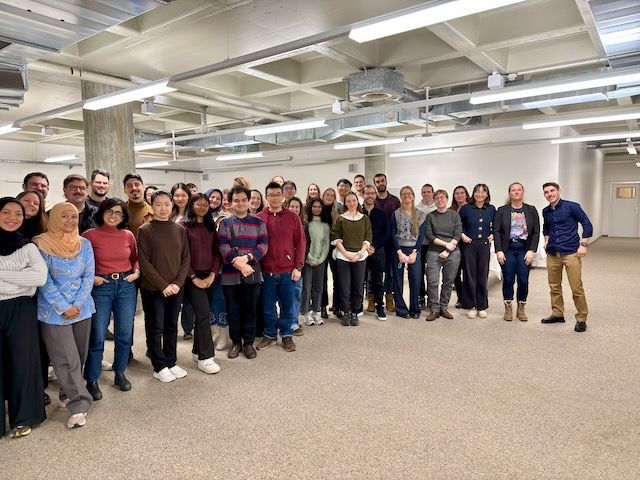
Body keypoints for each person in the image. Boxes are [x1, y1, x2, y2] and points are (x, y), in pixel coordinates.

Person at [34, 202, 96, 429]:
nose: (70, 220)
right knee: (65, 358)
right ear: (54, 218)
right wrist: (63, 307)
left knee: (79, 355)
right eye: (64, 216)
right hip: (53, 312)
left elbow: (88, 275)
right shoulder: (41, 244)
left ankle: (67, 392)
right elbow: (44, 280)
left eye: (74, 216)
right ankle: (79, 403)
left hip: (83, 309)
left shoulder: (84, 243)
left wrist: (77, 304)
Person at [82, 198, 139, 400]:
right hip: (101, 287)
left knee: (124, 334)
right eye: (110, 211)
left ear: (123, 217)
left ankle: (120, 372)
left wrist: (136, 272)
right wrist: (92, 278)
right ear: (102, 213)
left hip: (125, 286)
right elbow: (82, 261)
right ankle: (92, 378)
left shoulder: (128, 235)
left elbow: (135, 258)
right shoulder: (89, 235)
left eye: (118, 213)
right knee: (97, 335)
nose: (114, 216)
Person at [0, 197, 47, 438]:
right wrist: (20, 280)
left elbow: (39, 278)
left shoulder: (28, 247)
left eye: (18, 213)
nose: (12, 218)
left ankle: (24, 417)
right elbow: (29, 279)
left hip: (22, 309)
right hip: (14, 300)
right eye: (6, 212)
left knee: (24, 363)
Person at [137, 191, 190, 382]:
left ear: (172, 205)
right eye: (158, 204)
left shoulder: (179, 229)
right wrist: (163, 285)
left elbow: (186, 258)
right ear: (152, 206)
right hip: (153, 289)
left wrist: (177, 283)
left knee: (171, 326)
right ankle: (159, 366)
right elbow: (144, 262)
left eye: (167, 204)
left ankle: (171, 361)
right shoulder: (145, 230)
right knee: (155, 326)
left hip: (176, 288)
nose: (163, 208)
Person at [218, 186, 268, 359]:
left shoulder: (259, 222)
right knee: (233, 311)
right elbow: (222, 246)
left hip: (252, 273)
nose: (240, 203)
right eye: (236, 200)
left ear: (248, 201)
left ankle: (248, 343)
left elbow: (263, 246)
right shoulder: (225, 223)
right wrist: (238, 264)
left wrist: (247, 258)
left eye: (244, 200)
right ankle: (236, 343)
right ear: (231, 203)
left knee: (250, 310)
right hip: (230, 275)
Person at [256, 181, 305, 352]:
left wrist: (298, 267)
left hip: (287, 271)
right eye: (271, 195)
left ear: (283, 196)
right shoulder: (259, 218)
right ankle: (269, 335)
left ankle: (286, 335)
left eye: (277, 194)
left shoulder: (293, 217)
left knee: (288, 305)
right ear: (266, 197)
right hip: (266, 271)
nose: (275, 198)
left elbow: (300, 243)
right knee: (268, 306)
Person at [541, 182, 592, 332]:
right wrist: (546, 239)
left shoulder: (572, 206)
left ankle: (581, 318)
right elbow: (546, 227)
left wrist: (583, 244)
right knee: (554, 286)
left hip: (571, 253)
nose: (549, 194)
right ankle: (557, 313)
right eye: (546, 192)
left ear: (559, 191)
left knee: (576, 287)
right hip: (552, 253)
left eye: (552, 191)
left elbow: (587, 224)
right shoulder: (546, 211)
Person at [180, 194, 222, 373]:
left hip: (210, 277)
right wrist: (193, 277)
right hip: (191, 278)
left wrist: (213, 274)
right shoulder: (183, 227)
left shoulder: (211, 226)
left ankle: (197, 352)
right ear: (192, 205)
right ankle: (206, 357)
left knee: (203, 315)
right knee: (203, 314)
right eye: (199, 204)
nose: (203, 207)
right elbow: (182, 255)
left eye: (206, 205)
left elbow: (217, 253)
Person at [494, 182, 540, 322]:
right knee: (508, 279)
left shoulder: (531, 210)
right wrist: (499, 250)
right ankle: (508, 306)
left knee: (523, 280)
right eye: (513, 190)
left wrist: (532, 250)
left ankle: (521, 307)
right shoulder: (502, 210)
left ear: (523, 192)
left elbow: (536, 232)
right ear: (509, 193)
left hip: (524, 250)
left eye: (519, 189)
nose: (516, 192)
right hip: (508, 250)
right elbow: (496, 231)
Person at [330, 192, 372, 326]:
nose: (352, 203)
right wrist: (346, 254)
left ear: (357, 202)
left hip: (360, 256)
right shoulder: (340, 218)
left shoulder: (364, 219)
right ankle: (346, 312)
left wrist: (359, 254)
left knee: (358, 287)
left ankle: (355, 312)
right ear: (345, 203)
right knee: (344, 286)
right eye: (348, 201)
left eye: (354, 200)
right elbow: (336, 237)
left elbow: (367, 238)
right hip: (343, 256)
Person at [459, 184, 496, 319]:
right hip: (469, 245)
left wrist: (493, 234)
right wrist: (462, 235)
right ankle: (471, 305)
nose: (480, 194)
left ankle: (482, 306)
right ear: (473, 193)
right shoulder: (466, 209)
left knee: (483, 275)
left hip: (484, 245)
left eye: (483, 192)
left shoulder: (491, 209)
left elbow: (496, 225)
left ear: (487, 194)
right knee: (469, 275)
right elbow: (458, 225)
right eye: (477, 191)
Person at [424, 190, 462, 321]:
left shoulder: (454, 215)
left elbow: (458, 232)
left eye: (442, 197)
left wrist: (449, 248)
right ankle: (434, 308)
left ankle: (443, 307)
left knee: (448, 281)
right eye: (437, 198)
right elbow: (429, 235)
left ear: (447, 199)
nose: (440, 200)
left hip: (453, 253)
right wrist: (446, 245)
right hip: (434, 252)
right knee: (432, 281)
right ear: (434, 200)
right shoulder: (430, 216)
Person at [391, 186, 427, 319]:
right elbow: (392, 234)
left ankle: (414, 309)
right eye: (404, 193)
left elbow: (421, 236)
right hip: (398, 249)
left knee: (415, 279)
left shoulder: (421, 214)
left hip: (414, 250)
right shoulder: (395, 214)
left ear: (413, 196)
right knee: (397, 280)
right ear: (401, 196)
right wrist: (399, 252)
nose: (406, 195)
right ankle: (401, 309)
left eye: (409, 193)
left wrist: (415, 252)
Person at [301, 196, 330, 326]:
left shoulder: (325, 225)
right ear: (310, 207)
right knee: (307, 288)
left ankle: (317, 312)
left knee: (318, 287)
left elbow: (326, 244)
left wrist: (320, 259)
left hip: (320, 261)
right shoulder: (306, 224)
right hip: (307, 261)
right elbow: (304, 244)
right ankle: (307, 313)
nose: (316, 209)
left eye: (319, 207)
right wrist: (309, 259)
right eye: (314, 206)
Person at [362, 184, 390, 320]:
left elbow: (386, 233)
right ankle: (357, 306)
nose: (370, 196)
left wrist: (374, 246)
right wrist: (365, 247)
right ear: (363, 195)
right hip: (361, 250)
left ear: (375, 195)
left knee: (378, 280)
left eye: (372, 193)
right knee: (359, 280)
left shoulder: (382, 213)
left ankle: (379, 306)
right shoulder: (358, 212)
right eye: (367, 193)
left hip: (378, 251)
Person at [373, 173, 400, 312]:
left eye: (382, 180)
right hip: (376, 243)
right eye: (377, 181)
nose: (380, 183)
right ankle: (372, 298)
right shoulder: (372, 200)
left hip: (390, 242)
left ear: (386, 181)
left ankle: (389, 297)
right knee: (373, 272)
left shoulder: (394, 200)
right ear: (375, 184)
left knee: (390, 272)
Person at [415, 183, 436, 309]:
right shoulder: (416, 209)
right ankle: (421, 296)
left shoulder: (437, 207)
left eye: (428, 191)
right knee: (420, 272)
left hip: (434, 245)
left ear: (433, 193)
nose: (426, 194)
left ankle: (432, 298)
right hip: (421, 245)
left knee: (432, 273)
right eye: (424, 192)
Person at [450, 185, 470, 309]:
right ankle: (460, 298)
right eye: (457, 193)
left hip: (468, 244)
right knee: (455, 273)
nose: (460, 195)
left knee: (468, 272)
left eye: (462, 193)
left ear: (466, 195)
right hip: (454, 245)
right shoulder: (450, 210)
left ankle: (469, 298)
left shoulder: (472, 208)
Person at [320, 187, 340, 319]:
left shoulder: (336, 212)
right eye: (327, 194)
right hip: (321, 248)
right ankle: (323, 307)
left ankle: (337, 305)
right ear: (323, 196)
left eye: (332, 195)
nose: (329, 197)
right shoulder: (318, 210)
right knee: (323, 279)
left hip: (334, 248)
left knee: (337, 277)